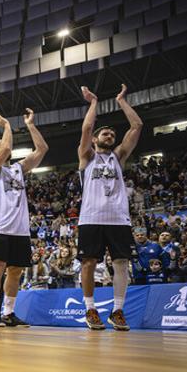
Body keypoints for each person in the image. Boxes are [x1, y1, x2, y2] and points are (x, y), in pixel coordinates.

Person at [76, 84, 143, 330]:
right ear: (94, 140)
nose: (109, 135)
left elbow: (136, 127)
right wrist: (93, 103)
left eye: (111, 134)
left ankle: (117, 310)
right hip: (91, 218)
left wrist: (121, 100)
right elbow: (86, 128)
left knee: (121, 263)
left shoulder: (119, 156)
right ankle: (90, 309)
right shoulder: (87, 156)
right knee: (89, 263)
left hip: (118, 218)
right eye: (103, 133)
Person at [0, 108, 48, 327]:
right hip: (0, 226)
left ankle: (8, 312)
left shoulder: (19, 168)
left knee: (16, 271)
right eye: (0, 144)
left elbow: (42, 149)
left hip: (20, 229)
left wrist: (30, 125)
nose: (6, 146)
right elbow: (7, 147)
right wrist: (7, 126)